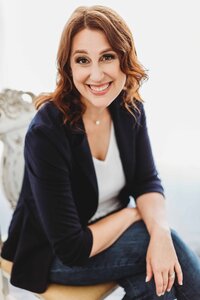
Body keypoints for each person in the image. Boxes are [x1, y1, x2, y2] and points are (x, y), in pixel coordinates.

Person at [1, 5, 200, 299]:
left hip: (115, 239)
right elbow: (72, 248)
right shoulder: (47, 132)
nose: (96, 74)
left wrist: (159, 231)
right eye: (83, 60)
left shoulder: (129, 108)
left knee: (157, 283)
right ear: (69, 68)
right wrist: (134, 217)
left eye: (107, 57)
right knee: (165, 254)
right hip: (53, 255)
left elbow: (147, 181)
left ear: (124, 58)